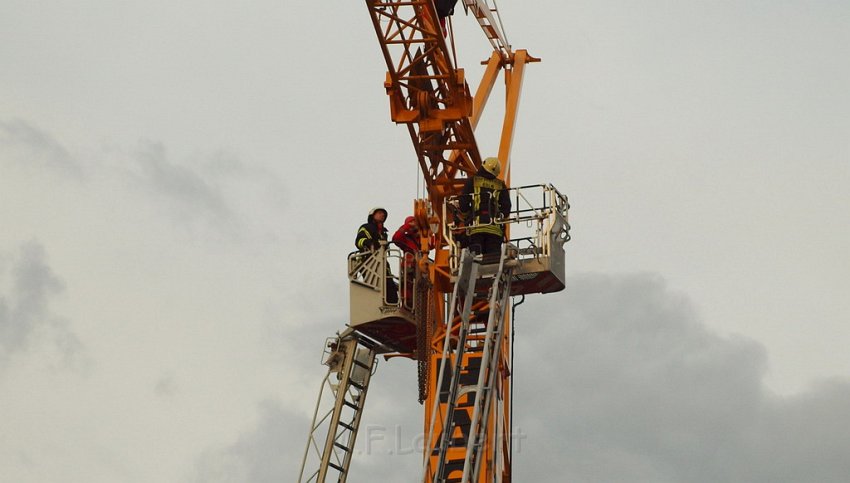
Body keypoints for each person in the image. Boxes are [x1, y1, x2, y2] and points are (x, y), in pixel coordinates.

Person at [459, 156, 511, 257]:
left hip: (476, 229)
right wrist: (500, 217)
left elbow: (463, 203)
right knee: (493, 262)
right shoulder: (500, 185)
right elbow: (506, 208)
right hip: (494, 230)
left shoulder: (472, 181)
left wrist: (467, 216)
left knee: (476, 261)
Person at [354, 207, 398, 303]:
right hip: (370, 262)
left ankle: (390, 308)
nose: (382, 215)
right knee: (376, 287)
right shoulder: (366, 227)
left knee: (390, 288)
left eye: (383, 214)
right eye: (379, 213)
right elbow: (359, 241)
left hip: (382, 264)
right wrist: (370, 244)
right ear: (372, 215)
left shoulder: (383, 233)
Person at [393, 216, 420, 307]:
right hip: (408, 266)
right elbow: (396, 238)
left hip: (419, 268)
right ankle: (406, 304)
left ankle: (414, 305)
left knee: (417, 289)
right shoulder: (406, 238)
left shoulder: (420, 240)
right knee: (407, 285)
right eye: (413, 222)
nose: (415, 224)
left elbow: (433, 242)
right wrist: (407, 226)